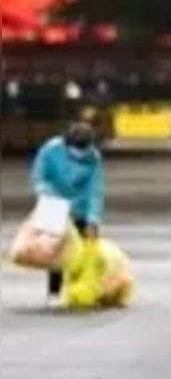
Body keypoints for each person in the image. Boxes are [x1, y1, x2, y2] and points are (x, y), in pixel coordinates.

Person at [30, 122, 105, 306]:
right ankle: (53, 293)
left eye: (83, 148)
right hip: (54, 202)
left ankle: (80, 289)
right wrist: (53, 199)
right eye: (75, 148)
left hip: (79, 205)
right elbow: (38, 177)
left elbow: (94, 189)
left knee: (84, 249)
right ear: (66, 144)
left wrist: (93, 219)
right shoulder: (50, 150)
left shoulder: (93, 157)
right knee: (55, 250)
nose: (79, 153)